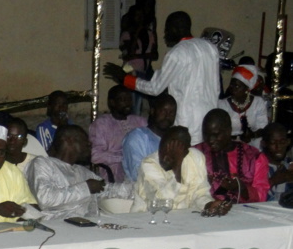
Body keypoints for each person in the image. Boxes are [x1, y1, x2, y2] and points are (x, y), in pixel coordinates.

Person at [105, 11, 219, 144]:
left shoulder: (177, 53)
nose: (164, 35)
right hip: (210, 119)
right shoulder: (210, 48)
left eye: (166, 30)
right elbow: (216, 88)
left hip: (187, 122)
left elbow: (155, 88)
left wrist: (125, 79)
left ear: (175, 29)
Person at [133, 127, 228, 215]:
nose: (165, 156)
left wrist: (209, 205)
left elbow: (200, 193)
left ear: (186, 152)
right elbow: (162, 203)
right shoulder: (148, 164)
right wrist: (177, 166)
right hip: (150, 221)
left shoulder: (195, 158)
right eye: (163, 148)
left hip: (185, 221)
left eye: (172, 152)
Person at [25, 125, 104, 219]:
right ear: (70, 140)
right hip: (56, 226)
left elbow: (106, 189)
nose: (89, 145)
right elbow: (45, 199)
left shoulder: (82, 171)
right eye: (85, 141)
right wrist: (86, 188)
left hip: (87, 224)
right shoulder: (42, 164)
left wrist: (125, 190)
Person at [194, 109, 270, 203]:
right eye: (206, 134)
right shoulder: (195, 154)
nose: (210, 140)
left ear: (229, 131)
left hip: (244, 214)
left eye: (216, 135)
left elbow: (262, 196)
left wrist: (242, 188)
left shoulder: (254, 157)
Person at [89, 86, 147, 183]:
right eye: (123, 100)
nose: (128, 103)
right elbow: (96, 156)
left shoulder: (139, 121)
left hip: (141, 171)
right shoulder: (101, 124)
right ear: (112, 102)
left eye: (129, 99)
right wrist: (124, 158)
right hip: (115, 176)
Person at [122, 94, 177, 182]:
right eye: (163, 111)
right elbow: (138, 175)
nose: (167, 116)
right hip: (141, 192)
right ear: (152, 111)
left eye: (171, 113)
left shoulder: (175, 140)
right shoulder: (137, 137)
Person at [218, 64, 269, 146]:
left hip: (251, 144)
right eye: (231, 84)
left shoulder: (258, 103)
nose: (232, 88)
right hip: (228, 145)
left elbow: (263, 128)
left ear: (246, 89)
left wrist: (252, 135)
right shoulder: (222, 105)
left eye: (237, 86)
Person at [261, 123, 293, 201]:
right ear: (264, 143)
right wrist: (273, 181)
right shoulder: (254, 165)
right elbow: (250, 197)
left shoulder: (290, 164)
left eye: (282, 142)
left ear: (288, 142)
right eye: (273, 142)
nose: (278, 147)